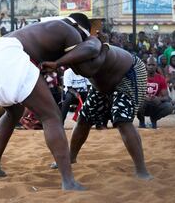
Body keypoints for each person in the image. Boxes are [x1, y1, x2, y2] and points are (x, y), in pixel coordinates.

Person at [0, 14, 104, 190]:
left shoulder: (48, 27)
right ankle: (68, 181)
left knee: (13, 112)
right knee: (51, 116)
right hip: (11, 57)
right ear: (81, 29)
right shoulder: (72, 31)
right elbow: (89, 58)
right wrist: (96, 41)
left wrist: (57, 62)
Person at [42, 14, 152, 181]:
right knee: (84, 118)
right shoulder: (72, 45)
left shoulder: (92, 42)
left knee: (122, 119)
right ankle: (70, 157)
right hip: (102, 83)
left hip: (129, 73)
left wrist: (58, 63)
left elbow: (89, 70)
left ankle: (141, 169)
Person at [137, 57, 173, 129]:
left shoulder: (161, 78)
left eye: (153, 65)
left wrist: (158, 99)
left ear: (156, 66)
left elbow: (166, 97)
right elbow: (135, 94)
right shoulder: (140, 77)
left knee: (169, 107)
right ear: (146, 65)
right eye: (149, 65)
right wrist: (144, 98)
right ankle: (142, 121)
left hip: (155, 104)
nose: (151, 67)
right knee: (137, 103)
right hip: (143, 104)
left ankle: (153, 119)